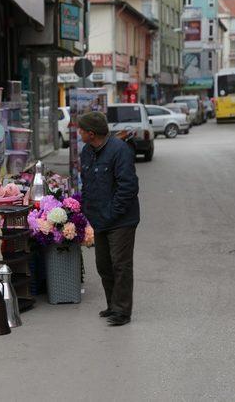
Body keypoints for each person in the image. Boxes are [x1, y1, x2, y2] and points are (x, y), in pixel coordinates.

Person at [78, 112, 140, 326]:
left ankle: (122, 312)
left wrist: (111, 214)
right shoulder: (87, 151)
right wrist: (87, 210)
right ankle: (112, 305)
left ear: (91, 133)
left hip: (121, 220)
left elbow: (128, 187)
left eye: (81, 130)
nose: (79, 133)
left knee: (120, 265)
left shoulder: (119, 151)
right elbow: (86, 183)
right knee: (104, 265)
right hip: (99, 218)